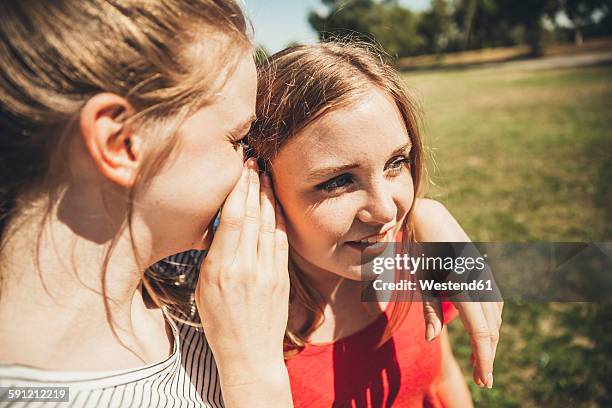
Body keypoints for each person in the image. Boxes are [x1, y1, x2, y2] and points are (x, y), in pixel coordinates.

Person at [0, 1, 292, 407]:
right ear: (122, 143)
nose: (253, 164)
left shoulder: (199, 276)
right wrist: (255, 374)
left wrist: (409, 226)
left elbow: (373, 280)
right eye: (238, 139)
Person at [249, 42, 501, 406]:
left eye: (396, 162)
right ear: (260, 185)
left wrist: (428, 212)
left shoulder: (413, 262)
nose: (385, 211)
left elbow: (441, 378)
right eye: (337, 181)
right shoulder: (244, 343)